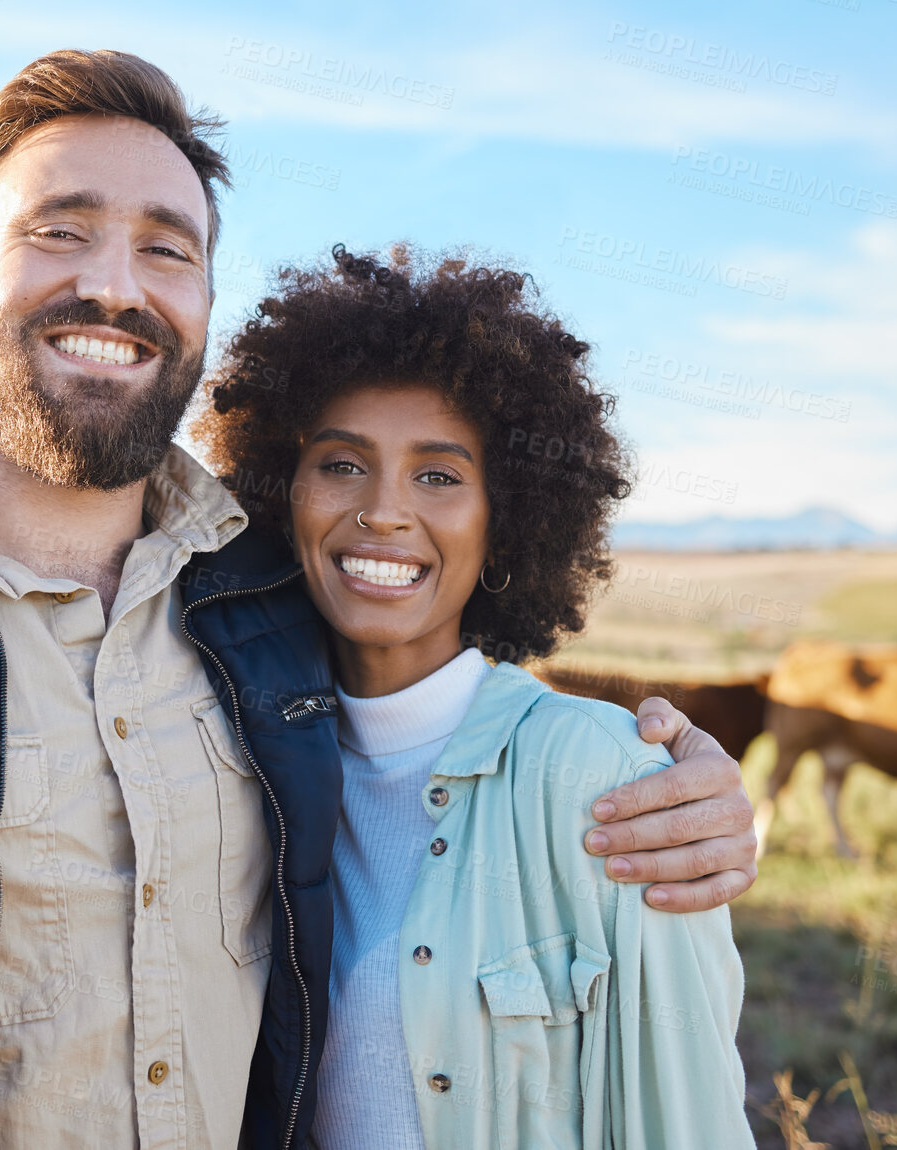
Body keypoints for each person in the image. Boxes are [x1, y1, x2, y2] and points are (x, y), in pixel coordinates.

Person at [0, 51, 758, 1150]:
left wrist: (687, 797)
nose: (116, 284)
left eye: (167, 247)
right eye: (59, 229)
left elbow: (439, 727)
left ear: (203, 312)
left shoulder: (266, 617)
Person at [194, 245, 755, 1148]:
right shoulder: (238, 759)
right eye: (340, 463)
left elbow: (685, 1117)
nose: (383, 510)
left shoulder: (602, 776)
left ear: (510, 524)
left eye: (439, 475)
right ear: (281, 494)